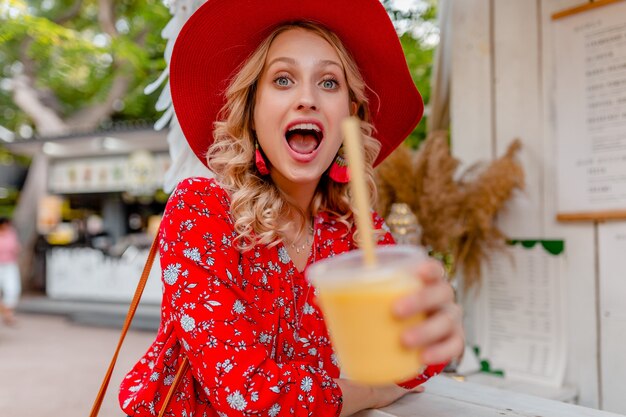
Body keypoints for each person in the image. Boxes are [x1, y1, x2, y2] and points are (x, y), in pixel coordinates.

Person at [119, 1, 464, 416]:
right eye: (283, 79)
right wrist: (370, 393)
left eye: (330, 83)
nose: (307, 98)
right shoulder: (201, 210)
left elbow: (407, 363)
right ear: (251, 110)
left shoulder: (356, 231)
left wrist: (429, 330)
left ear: (350, 115)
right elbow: (249, 397)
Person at [0, 217, 21, 326]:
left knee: (12, 289)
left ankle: (8, 313)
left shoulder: (11, 233)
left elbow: (16, 247)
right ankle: (7, 314)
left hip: (10, 264)